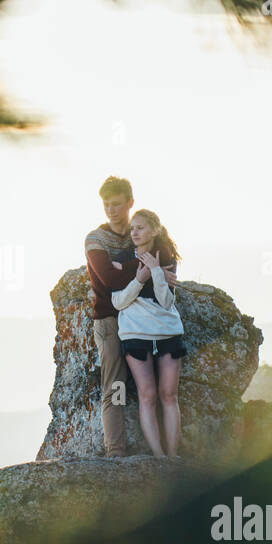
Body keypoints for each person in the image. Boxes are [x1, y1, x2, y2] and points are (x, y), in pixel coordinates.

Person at [84, 178, 177, 457]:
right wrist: (148, 265)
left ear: (129, 203)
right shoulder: (95, 240)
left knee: (158, 391)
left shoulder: (140, 228)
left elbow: (166, 257)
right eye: (106, 205)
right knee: (116, 386)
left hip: (144, 322)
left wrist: (154, 267)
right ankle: (116, 453)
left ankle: (167, 452)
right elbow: (110, 279)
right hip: (110, 321)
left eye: (116, 204)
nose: (111, 210)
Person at [110, 209, 185, 458]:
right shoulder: (120, 259)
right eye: (132, 228)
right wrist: (140, 279)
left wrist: (156, 271)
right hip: (135, 335)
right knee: (147, 395)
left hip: (168, 334)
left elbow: (166, 302)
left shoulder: (166, 257)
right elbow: (119, 302)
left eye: (140, 227)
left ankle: (173, 456)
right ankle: (159, 457)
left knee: (169, 395)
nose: (134, 232)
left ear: (154, 230)